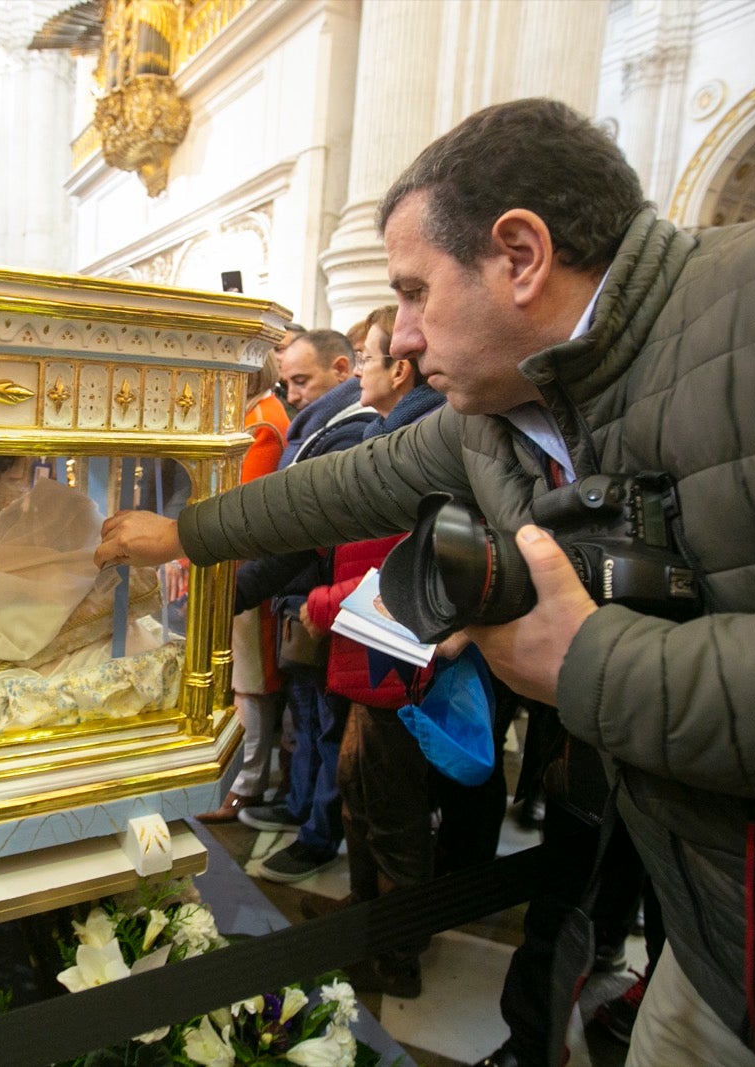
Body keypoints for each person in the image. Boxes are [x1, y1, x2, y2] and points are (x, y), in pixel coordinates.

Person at [96, 97, 755, 1066]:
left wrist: (594, 664)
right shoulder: (498, 414)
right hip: (718, 963)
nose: (404, 336)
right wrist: (184, 532)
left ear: (519, 255)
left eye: (416, 292)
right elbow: (342, 487)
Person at [296, 305, 444, 996]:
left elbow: (403, 562)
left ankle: (395, 953)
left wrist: (324, 604)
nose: (358, 367)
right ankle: (368, 917)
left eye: (369, 355)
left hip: (391, 661)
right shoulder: (392, 431)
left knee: (393, 817)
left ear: (401, 368)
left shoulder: (415, 439)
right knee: (362, 799)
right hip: (368, 660)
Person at [233, 328, 374, 883]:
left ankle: (318, 833)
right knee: (306, 716)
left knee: (326, 726)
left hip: (323, 593)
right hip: (302, 592)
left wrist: (238, 585)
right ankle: (298, 807)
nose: (290, 393)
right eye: (286, 381)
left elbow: (306, 525)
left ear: (343, 370)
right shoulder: (315, 425)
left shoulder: (350, 429)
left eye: (301, 380)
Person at [196, 349, 291, 823]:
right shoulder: (256, 415)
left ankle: (247, 784)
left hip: (248, 567)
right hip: (238, 564)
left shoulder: (264, 423)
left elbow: (240, 504)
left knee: (251, 681)